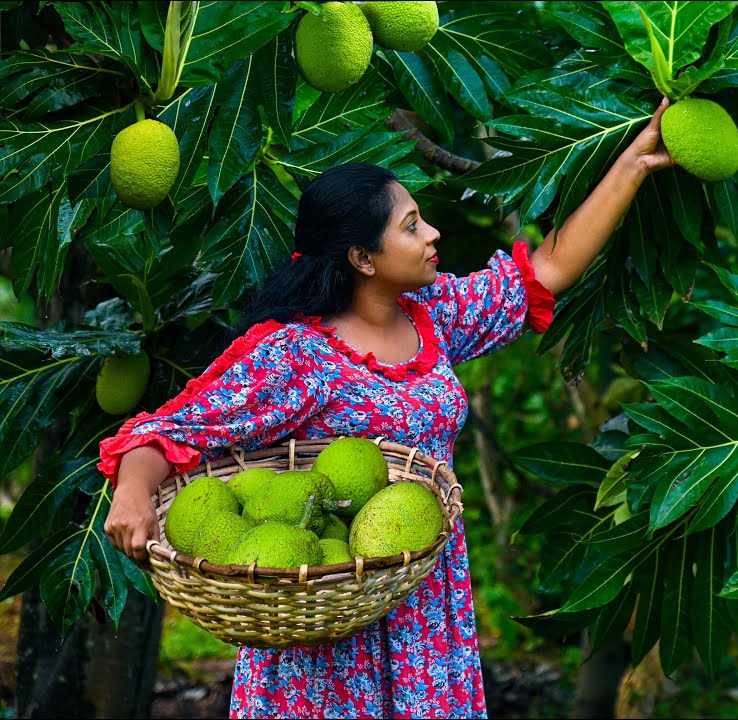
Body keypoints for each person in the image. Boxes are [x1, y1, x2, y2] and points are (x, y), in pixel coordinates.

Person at [100, 99, 675, 719]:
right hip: (324, 626)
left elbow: (549, 268)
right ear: (362, 258)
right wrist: (132, 493)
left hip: (426, 611)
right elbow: (169, 431)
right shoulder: (296, 357)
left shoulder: (434, 319)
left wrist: (633, 164)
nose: (431, 235)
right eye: (410, 225)